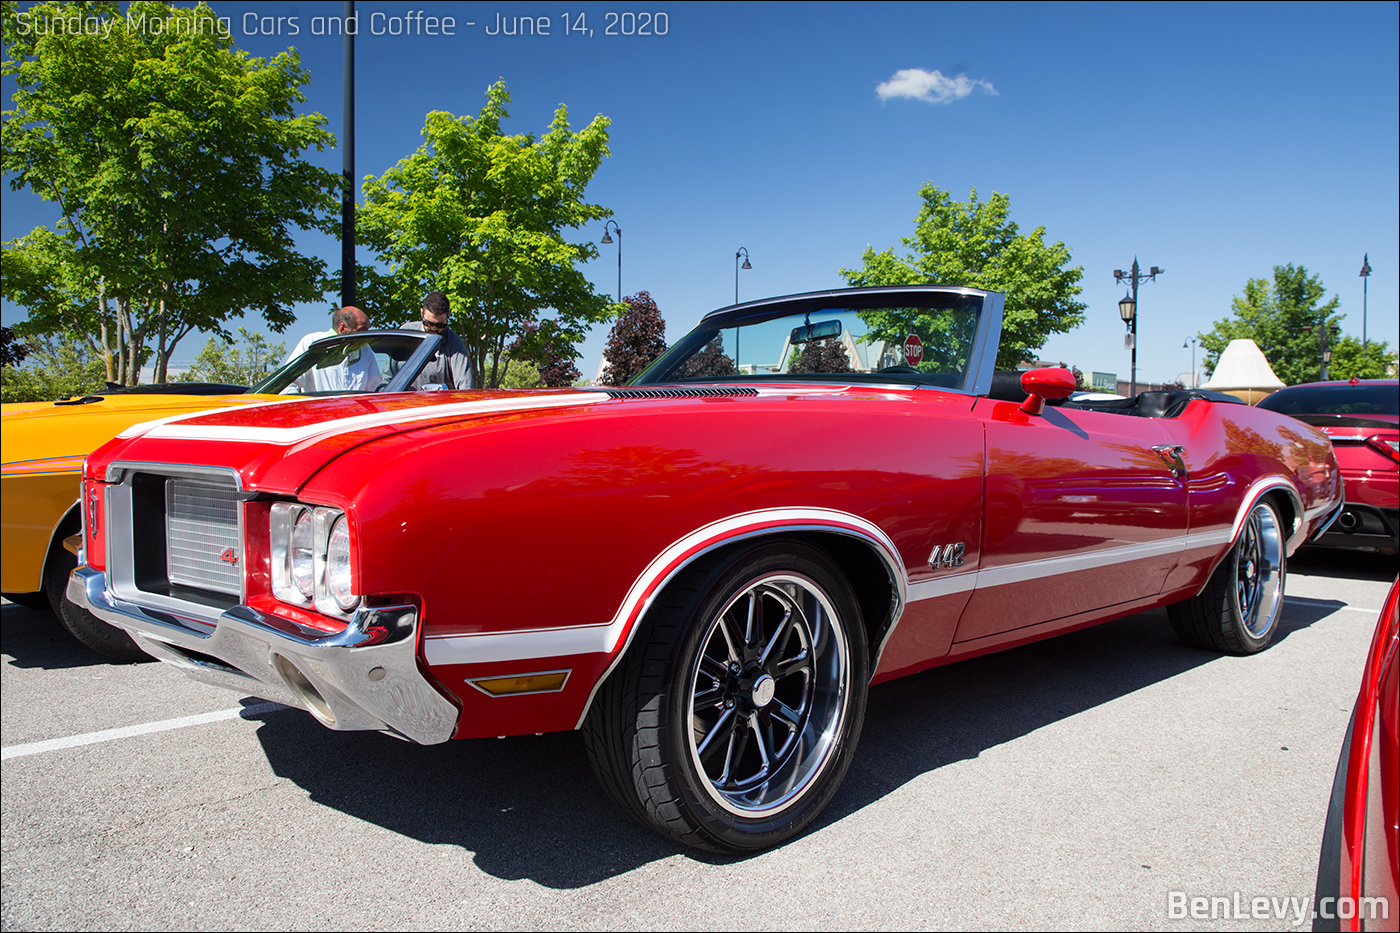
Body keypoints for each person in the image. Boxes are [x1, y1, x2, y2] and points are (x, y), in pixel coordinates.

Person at [285, 305, 383, 392]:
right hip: (319, 411)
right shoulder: (312, 343)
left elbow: (375, 389)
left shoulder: (365, 350)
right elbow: (288, 383)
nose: (366, 336)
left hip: (356, 412)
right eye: (362, 330)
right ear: (343, 328)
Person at [400, 291, 474, 389]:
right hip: (406, 402)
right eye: (429, 324)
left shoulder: (454, 343)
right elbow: (389, 377)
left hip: (440, 403)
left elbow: (465, 384)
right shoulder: (406, 334)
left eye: (440, 325)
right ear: (422, 313)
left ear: (448, 316)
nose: (434, 329)